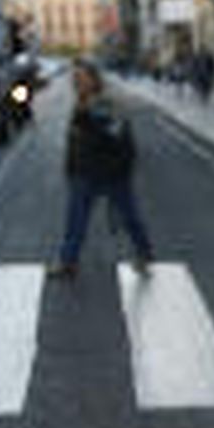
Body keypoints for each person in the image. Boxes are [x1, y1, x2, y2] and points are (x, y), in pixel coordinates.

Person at [47, 59, 153, 279]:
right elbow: (76, 140)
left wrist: (94, 122)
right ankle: (68, 262)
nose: (76, 82)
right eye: (74, 78)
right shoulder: (82, 103)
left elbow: (118, 136)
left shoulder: (102, 104)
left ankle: (144, 253)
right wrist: (70, 168)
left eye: (81, 78)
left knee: (129, 216)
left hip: (110, 173)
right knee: (75, 219)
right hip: (83, 172)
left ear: (94, 80)